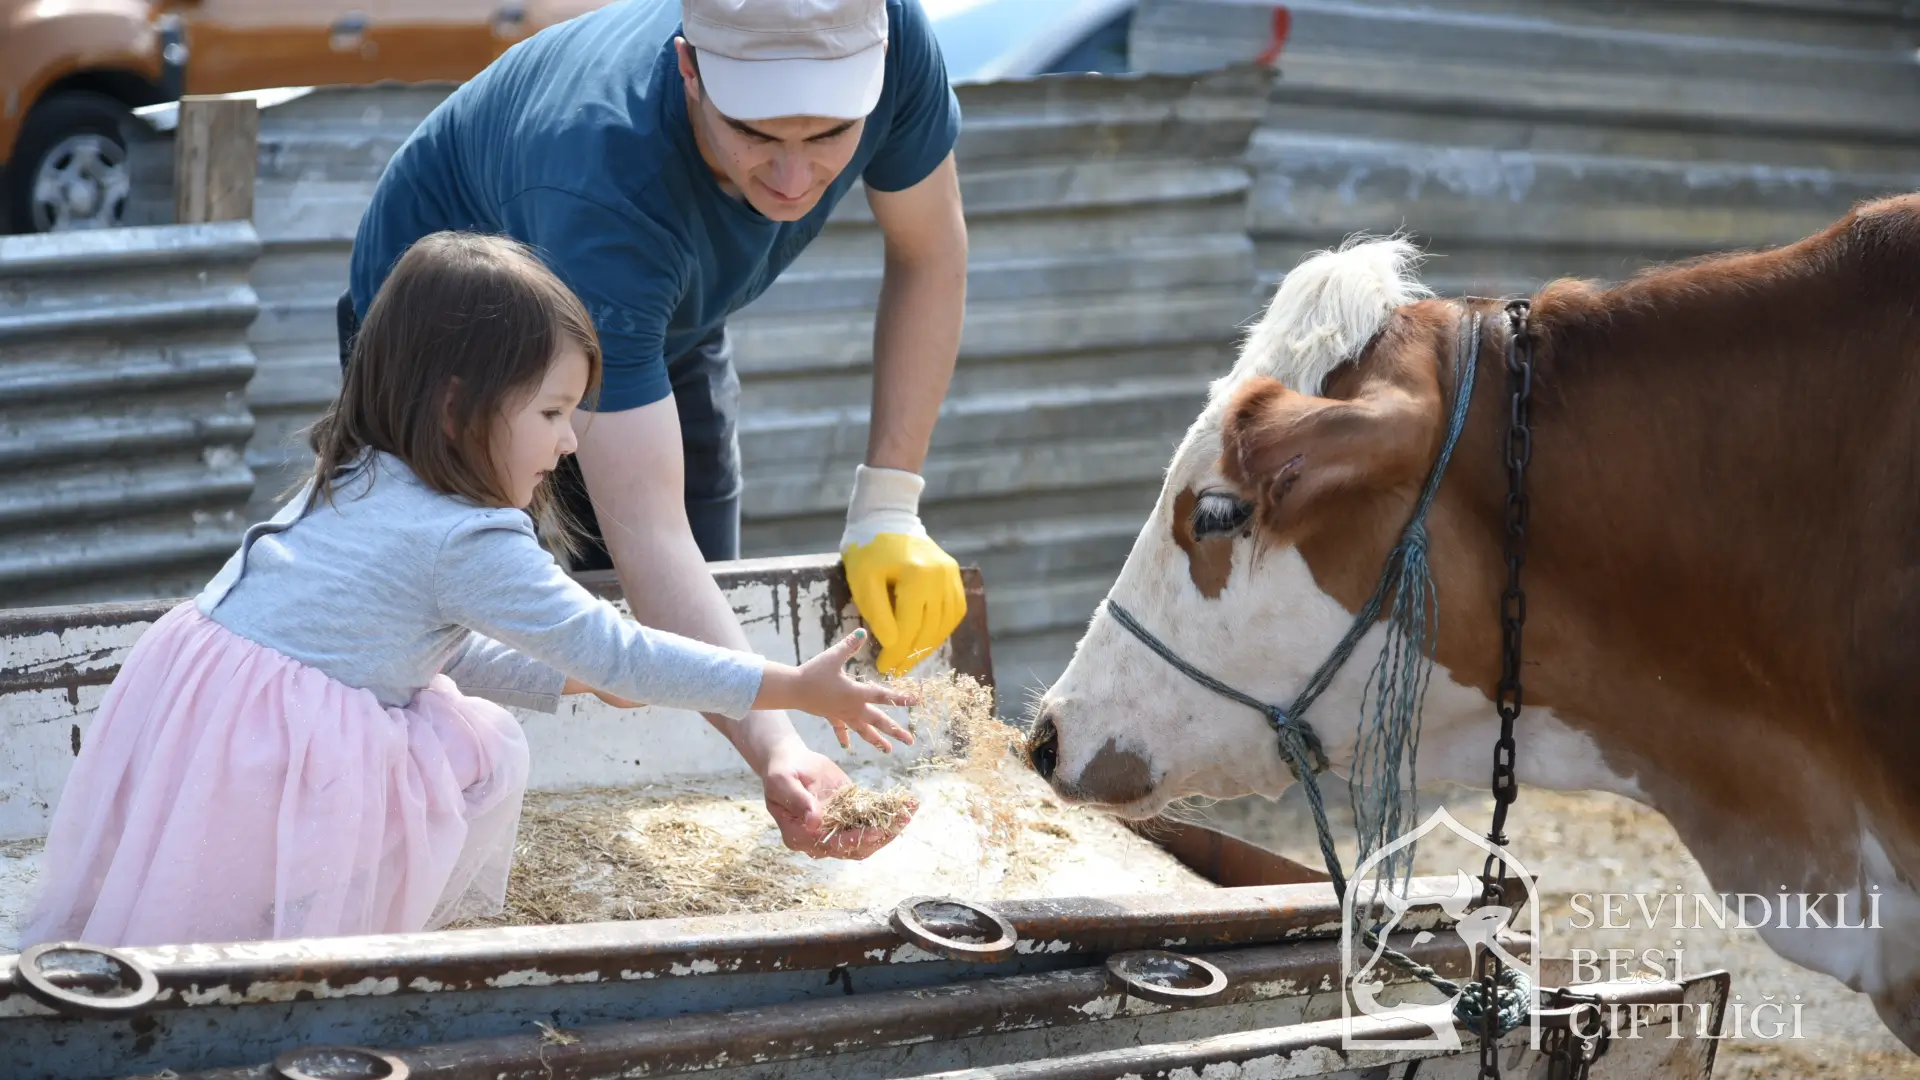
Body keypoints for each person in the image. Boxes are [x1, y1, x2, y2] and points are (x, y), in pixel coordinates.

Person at [18, 233, 917, 950]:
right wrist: (791, 687)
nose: (570, 445)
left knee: (193, 905)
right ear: (458, 408)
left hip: (205, 702)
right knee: (459, 757)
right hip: (283, 743)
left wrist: (565, 677)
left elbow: (426, 638)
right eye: (553, 414)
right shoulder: (471, 533)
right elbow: (621, 650)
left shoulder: (363, 466)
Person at [334, 0, 971, 862]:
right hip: (457, 349)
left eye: (827, 135)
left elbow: (929, 250)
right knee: (479, 622)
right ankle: (456, 855)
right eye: (756, 133)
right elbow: (650, 537)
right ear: (689, 71)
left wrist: (890, 507)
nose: (792, 179)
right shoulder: (602, 180)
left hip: (655, 316)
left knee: (693, 607)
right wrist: (784, 743)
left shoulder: (887, 29)